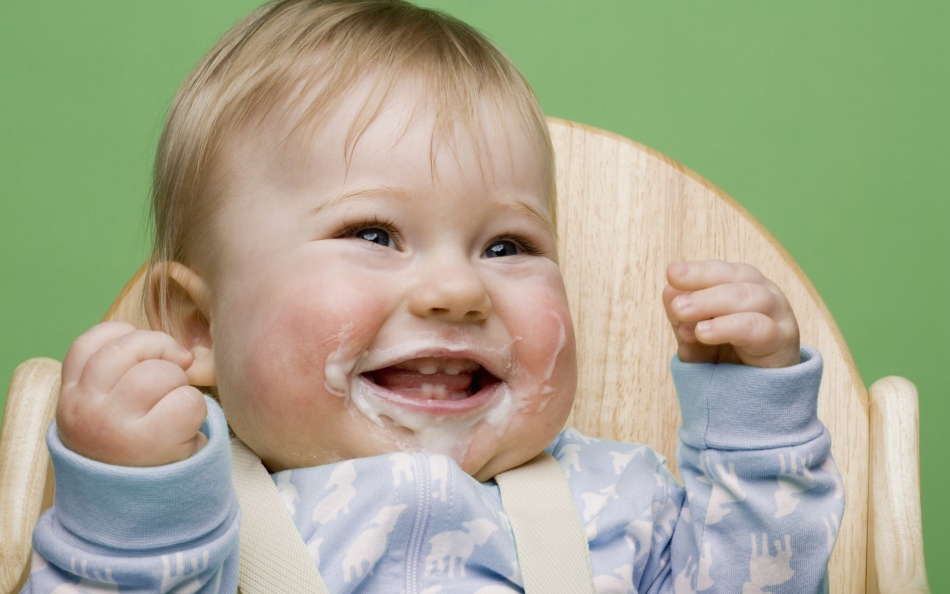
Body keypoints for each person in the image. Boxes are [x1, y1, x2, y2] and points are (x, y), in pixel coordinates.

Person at [24, 1, 844, 592]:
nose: (459, 288)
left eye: (507, 246)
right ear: (198, 325)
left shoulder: (622, 505)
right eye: (375, 234)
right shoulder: (188, 532)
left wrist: (752, 422)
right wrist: (125, 516)